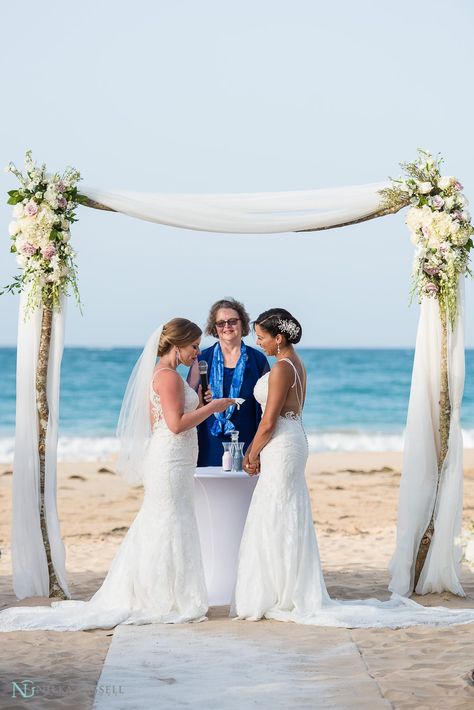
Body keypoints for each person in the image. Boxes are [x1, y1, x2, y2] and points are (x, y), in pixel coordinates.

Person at [233, 308, 474, 628]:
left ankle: (279, 591)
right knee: (284, 511)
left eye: (261, 337)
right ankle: (284, 588)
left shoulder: (280, 369)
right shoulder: (296, 365)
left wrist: (251, 453)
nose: (258, 342)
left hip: (281, 443)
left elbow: (268, 421)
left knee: (275, 511)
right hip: (292, 439)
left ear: (278, 338)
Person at [0, 318, 234, 631]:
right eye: (193, 346)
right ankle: (163, 596)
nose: (197, 352)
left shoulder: (166, 375)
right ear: (177, 345)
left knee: (169, 522)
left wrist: (197, 401)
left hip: (171, 458)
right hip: (170, 460)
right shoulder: (167, 377)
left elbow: (165, 421)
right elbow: (176, 425)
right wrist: (213, 407)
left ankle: (169, 593)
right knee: (167, 522)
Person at [188, 298, 269, 467]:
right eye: (220, 323)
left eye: (232, 321)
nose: (227, 326)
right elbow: (188, 405)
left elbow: (267, 406)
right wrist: (200, 400)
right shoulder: (202, 359)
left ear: (243, 323)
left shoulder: (257, 359)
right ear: (214, 328)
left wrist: (259, 448)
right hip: (208, 441)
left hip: (247, 441)